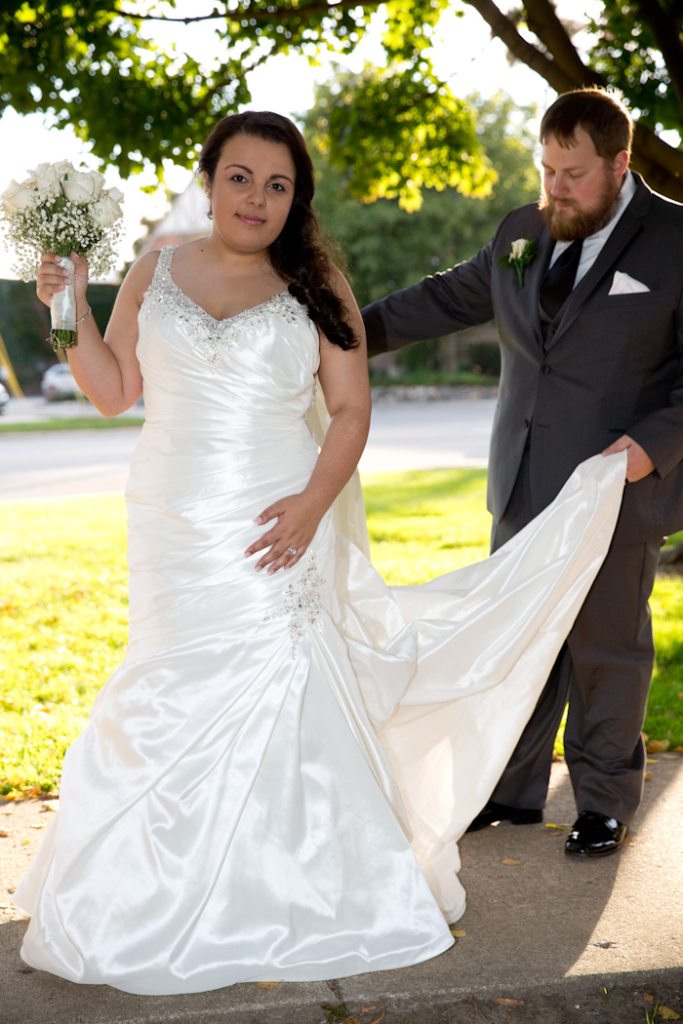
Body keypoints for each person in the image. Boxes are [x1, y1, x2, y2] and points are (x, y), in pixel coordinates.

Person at [14, 111, 627, 996]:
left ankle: (291, 886)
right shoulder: (156, 269)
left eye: (278, 185)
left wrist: (310, 506)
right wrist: (66, 308)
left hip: (279, 517)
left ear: (295, 198)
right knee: (164, 689)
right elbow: (111, 392)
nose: (255, 198)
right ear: (209, 180)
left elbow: (349, 410)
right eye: (239, 177)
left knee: (279, 688)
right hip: (171, 521)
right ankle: (150, 891)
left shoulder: (316, 283)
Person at [362, 88, 683, 860]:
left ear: (619, 163)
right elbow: (443, 299)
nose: (554, 189)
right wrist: (338, 333)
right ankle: (509, 789)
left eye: (573, 174)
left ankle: (602, 803)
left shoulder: (675, 238)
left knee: (606, 651)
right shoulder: (519, 232)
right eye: (545, 171)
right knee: (516, 640)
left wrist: (649, 447)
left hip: (616, 484)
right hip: (520, 481)